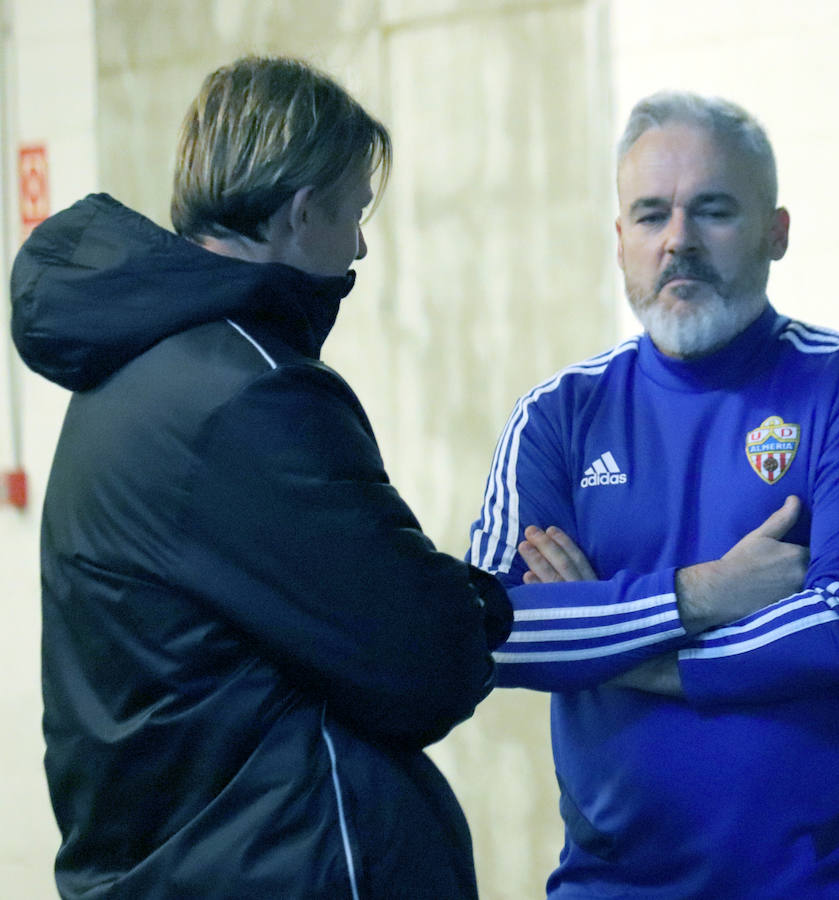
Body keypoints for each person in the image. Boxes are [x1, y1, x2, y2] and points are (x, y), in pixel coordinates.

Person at [10, 56, 511, 899]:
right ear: (302, 210)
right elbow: (423, 661)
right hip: (271, 869)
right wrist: (484, 602)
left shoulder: (131, 372)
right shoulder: (248, 391)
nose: (358, 247)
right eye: (354, 215)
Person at [467, 90, 839, 899]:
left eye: (712, 210)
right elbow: (487, 632)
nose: (677, 241)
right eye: (650, 215)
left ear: (776, 233)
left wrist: (616, 653)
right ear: (620, 242)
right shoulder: (559, 416)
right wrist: (703, 595)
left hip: (829, 884)